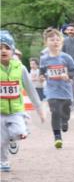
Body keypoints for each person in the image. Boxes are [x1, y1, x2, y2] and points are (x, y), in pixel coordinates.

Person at [0, 31, 45, 172]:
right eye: (0, 48)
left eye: (6, 47)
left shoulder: (21, 68)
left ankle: (14, 138)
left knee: (17, 132)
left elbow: (31, 90)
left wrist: (40, 109)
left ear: (12, 50)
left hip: (16, 110)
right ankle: (4, 161)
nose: (3, 51)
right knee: (1, 140)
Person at [39, 27, 74, 148]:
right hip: (52, 90)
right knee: (55, 111)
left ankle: (65, 120)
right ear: (46, 42)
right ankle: (57, 136)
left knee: (65, 110)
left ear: (61, 42)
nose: (55, 42)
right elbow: (42, 70)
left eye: (57, 40)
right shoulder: (44, 58)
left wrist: (68, 75)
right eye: (52, 40)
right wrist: (41, 76)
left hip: (66, 90)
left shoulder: (66, 57)